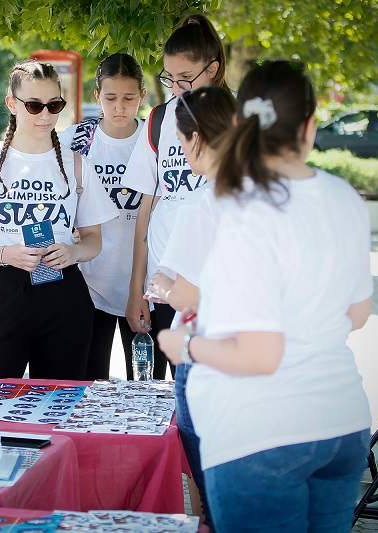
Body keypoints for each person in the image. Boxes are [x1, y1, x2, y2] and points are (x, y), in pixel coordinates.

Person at [157, 60, 373, 532]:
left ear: (238, 125)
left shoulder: (235, 203)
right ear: (310, 126)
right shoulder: (345, 198)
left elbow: (259, 354)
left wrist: (183, 347)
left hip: (260, 431)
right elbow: (357, 314)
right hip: (342, 422)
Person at [0, 60, 118, 380]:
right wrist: (6, 254)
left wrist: (74, 252)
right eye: (34, 106)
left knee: (61, 408)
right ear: (12, 104)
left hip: (63, 293)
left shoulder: (77, 165)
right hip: (4, 292)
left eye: (54, 105)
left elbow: (93, 238)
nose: (45, 115)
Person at [145, 86, 236, 531]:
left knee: (216, 498)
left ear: (197, 139)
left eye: (181, 141)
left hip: (204, 355)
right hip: (251, 357)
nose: (180, 151)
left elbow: (185, 295)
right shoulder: (263, 197)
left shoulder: (202, 207)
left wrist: (161, 283)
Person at [121, 13, 229, 380]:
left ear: (212, 69)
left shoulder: (241, 116)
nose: (175, 87)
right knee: (170, 392)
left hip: (217, 285)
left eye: (185, 78)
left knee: (208, 388)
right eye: (169, 78)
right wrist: (137, 288)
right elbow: (145, 213)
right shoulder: (160, 118)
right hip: (163, 280)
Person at [58, 53, 147, 380]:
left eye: (129, 98)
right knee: (87, 382)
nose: (119, 107)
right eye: (110, 98)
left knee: (145, 386)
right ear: (97, 96)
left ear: (143, 96)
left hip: (143, 285)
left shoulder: (152, 141)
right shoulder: (76, 142)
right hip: (87, 283)